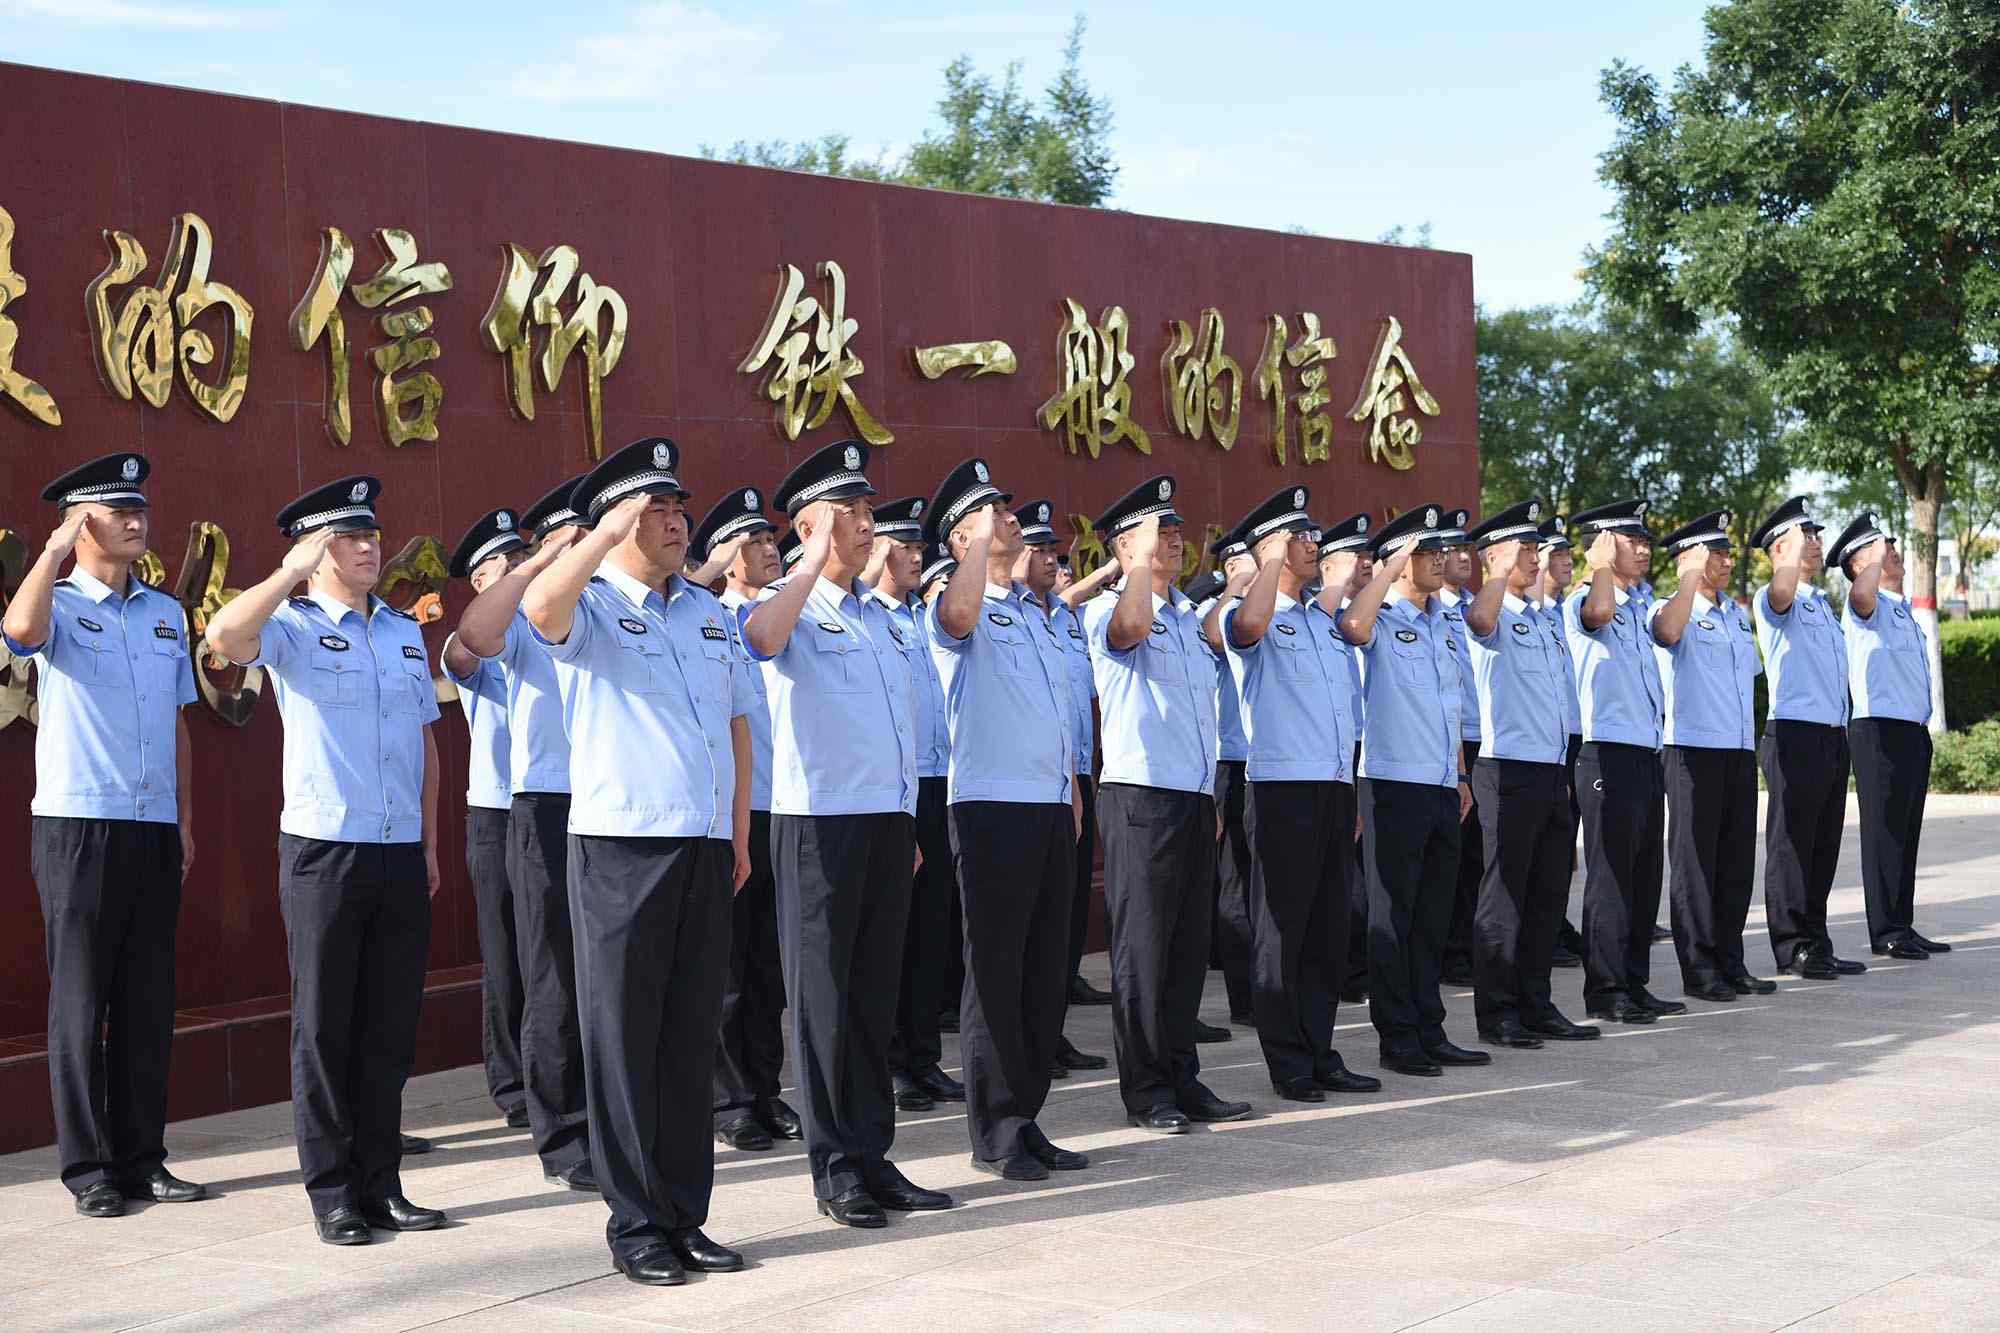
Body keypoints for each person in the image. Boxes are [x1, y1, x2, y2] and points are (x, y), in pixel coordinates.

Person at [518, 437, 755, 1284]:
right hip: (621, 848)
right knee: (623, 1042)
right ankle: (636, 1223)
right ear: (617, 521)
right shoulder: (590, 606)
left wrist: (737, 832)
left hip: (701, 846)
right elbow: (539, 606)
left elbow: (735, 722)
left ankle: (684, 1214)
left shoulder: (704, 611)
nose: (677, 520)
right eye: (657, 508)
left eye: (679, 506)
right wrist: (599, 534)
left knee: (689, 1038)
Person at [204, 476, 444, 1245]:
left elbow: (424, 739)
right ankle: (334, 1192)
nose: (370, 546)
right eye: (350, 536)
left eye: (372, 533)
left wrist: (428, 841)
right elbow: (223, 637)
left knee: (388, 1026)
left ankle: (382, 1182)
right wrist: (288, 572)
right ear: (315, 549)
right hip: (325, 849)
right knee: (325, 1026)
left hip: (398, 848)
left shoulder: (401, 631)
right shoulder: (292, 626)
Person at [742, 439, 952, 1229]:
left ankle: (872, 1152)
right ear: (809, 525)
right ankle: (834, 1164)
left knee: (872, 999)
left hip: (886, 825)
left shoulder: (883, 619)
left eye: (868, 510)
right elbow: (759, 641)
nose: (868, 524)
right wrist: (807, 563)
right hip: (818, 826)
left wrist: (905, 818)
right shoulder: (791, 602)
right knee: (825, 1003)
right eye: (851, 512)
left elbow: (898, 724)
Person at [3, 453, 204, 1219]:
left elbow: (178, 719)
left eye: (139, 508)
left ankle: (143, 1157)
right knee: (82, 1001)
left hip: (152, 824)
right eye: (118, 511)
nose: (136, 520)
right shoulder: (56, 602)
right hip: (78, 824)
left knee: (148, 1000)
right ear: (81, 522)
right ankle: (89, 1167)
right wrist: (53, 550)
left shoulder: (164, 613)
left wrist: (184, 817)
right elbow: (20, 631)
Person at [924, 462, 1088, 1181]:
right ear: (962, 536)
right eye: (990, 511)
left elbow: (1056, 714)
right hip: (990, 808)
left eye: (1007, 508)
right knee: (994, 971)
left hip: (1048, 805)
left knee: (1044, 971)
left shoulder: (1036, 612)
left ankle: (1028, 1114)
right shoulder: (958, 602)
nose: (1009, 518)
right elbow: (956, 621)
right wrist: (975, 551)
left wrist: (1069, 788)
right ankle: (995, 1131)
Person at [1081, 476, 1250, 1133]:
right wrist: (1138, 569)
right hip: (1140, 798)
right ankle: (1147, 1089)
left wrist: (1207, 793)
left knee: (1184, 950)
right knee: (1145, 952)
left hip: (1191, 796)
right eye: (1158, 532)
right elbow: (1127, 629)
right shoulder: (1109, 610)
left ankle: (1183, 1075)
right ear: (1125, 547)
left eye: (1176, 530)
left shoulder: (1185, 617)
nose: (1174, 541)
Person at [448, 488, 601, 1191]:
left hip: (602, 799)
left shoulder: (592, 608)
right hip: (526, 804)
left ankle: (600, 1112)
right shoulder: (511, 621)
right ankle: (551, 1119)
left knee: (593, 972)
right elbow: (466, 648)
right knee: (540, 970)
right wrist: (532, 567)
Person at [1218, 487, 1380, 1101]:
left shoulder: (1321, 620)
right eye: (1300, 536)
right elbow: (1247, 628)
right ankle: (1286, 1060)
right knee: (1282, 930)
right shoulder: (1251, 615)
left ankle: (1320, 1050)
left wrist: (1349, 785)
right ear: (1271, 549)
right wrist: (1264, 565)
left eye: (1311, 535)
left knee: (1326, 929)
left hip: (1333, 786)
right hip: (1281, 788)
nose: (1314, 544)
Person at [1339, 504, 1486, 1077]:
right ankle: (1397, 1036)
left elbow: (1450, 706)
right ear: (1398, 562)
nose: (1440, 559)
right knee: (1393, 917)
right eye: (1426, 552)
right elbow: (1352, 628)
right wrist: (1386, 569)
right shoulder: (1379, 616)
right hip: (1393, 783)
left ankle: (1429, 1027)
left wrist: (1461, 774)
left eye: (1440, 550)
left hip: (1442, 783)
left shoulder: (1444, 621)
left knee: (1432, 917)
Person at [683, 485, 805, 1152]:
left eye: (768, 539)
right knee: (728, 968)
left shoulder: (782, 612)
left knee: (768, 967)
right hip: (732, 809)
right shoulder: (710, 616)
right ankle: (728, 1099)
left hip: (779, 802)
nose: (767, 549)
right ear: (726, 557)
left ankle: (763, 1088)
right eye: (752, 541)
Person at [1461, 501, 1598, 1046]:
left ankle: (1536, 1003)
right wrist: (1495, 573)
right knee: (1505, 895)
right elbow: (1480, 622)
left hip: (1550, 768)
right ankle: (1498, 1012)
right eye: (1524, 548)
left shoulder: (1543, 619)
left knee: (1547, 893)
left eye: (1536, 548)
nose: (1535, 557)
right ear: (1496, 555)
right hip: (1507, 767)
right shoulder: (1489, 613)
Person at [1564, 499, 1683, 1025]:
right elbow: (1597, 615)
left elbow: (1667, 631)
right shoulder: (1586, 598)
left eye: (1645, 541)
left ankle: (1634, 981)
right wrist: (1598, 566)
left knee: (1642, 873)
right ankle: (1606, 988)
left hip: (1644, 752)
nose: (1644, 549)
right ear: (1605, 543)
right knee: (1611, 875)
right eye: (1632, 540)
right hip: (1605, 753)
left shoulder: (1638, 606)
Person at [866, 494, 966, 1113]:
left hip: (935, 784)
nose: (916, 557)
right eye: (904, 547)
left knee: (930, 930)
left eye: (919, 548)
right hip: (894, 787)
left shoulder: (921, 618)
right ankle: (892, 1061)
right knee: (894, 936)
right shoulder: (869, 617)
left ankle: (923, 1057)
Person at [1648, 511, 1773, 1001]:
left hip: (1737, 750)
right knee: (1695, 864)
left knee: (1735, 863)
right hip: (1691, 750)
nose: (1725, 561)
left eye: (1726, 553)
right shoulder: (1668, 608)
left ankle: (1730, 961)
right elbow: (1667, 634)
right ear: (1689, 559)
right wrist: (1687, 580)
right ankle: (1699, 968)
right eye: (1715, 553)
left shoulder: (1734, 615)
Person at [441, 509, 533, 1136]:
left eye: (524, 555)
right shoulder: (476, 638)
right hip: (498, 812)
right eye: (508, 562)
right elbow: (462, 657)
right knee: (505, 954)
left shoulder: (549, 627)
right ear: (479, 581)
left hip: (555, 808)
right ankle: (513, 1083)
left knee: (549, 951)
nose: (523, 567)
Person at [1014, 500, 1111, 1075]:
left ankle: (1053, 1028)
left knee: (1065, 913)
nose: (1051, 560)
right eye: (1040, 550)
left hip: (1070, 776)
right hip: (1017, 787)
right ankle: (1028, 1042)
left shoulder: (1059, 624)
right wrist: (1113, 568)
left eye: (1055, 551)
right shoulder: (1009, 616)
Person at [1750, 496, 1866, 979]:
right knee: (1792, 846)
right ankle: (1791, 944)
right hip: (1794, 735)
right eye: (1806, 536)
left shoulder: (1819, 601)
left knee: (1822, 845)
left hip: (1830, 736)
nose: (1817, 543)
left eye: (1816, 535)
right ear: (1780, 548)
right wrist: (1792, 549)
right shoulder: (1773, 597)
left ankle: (1817, 940)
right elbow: (1780, 593)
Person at [1831, 513, 1949, 960]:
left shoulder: (1901, 610)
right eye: (1882, 548)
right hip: (1877, 731)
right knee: (1884, 835)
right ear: (1859, 564)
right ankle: (1885, 931)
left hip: (1910, 731)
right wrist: (1874, 560)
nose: (1893, 553)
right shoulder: (1864, 604)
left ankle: (1903, 923)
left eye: (1892, 547)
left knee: (1906, 832)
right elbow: (1861, 593)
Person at [1198, 527, 1258, 1029]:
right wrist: (1235, 586)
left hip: (1267, 762)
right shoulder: (1216, 608)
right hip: (1228, 760)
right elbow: (1214, 637)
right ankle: (1245, 996)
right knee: (1235, 880)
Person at [1316, 515, 1376, 1004]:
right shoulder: (1323, 616)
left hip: (1356, 748)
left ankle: (1356, 966)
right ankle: (1348, 972)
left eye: (1369, 557)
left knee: (1353, 875)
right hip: (1323, 754)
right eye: (1356, 558)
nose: (1366, 565)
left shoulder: (1374, 614)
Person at [1534, 519, 1587, 969]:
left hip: (1572, 733)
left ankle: (1557, 922)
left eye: (1568, 554)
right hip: (1546, 737)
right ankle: (1546, 930)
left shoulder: (1564, 612)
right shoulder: (1535, 613)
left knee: (1565, 839)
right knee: (1547, 841)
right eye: (1556, 555)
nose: (1566, 561)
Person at [1435, 509, 1484, 989]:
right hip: (1453, 737)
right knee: (1454, 853)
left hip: (1480, 735)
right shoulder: (1433, 609)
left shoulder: (1476, 607)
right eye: (1450, 549)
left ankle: (1470, 944)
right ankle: (1452, 951)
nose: (1462, 557)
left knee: (1477, 855)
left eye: (1465, 548)